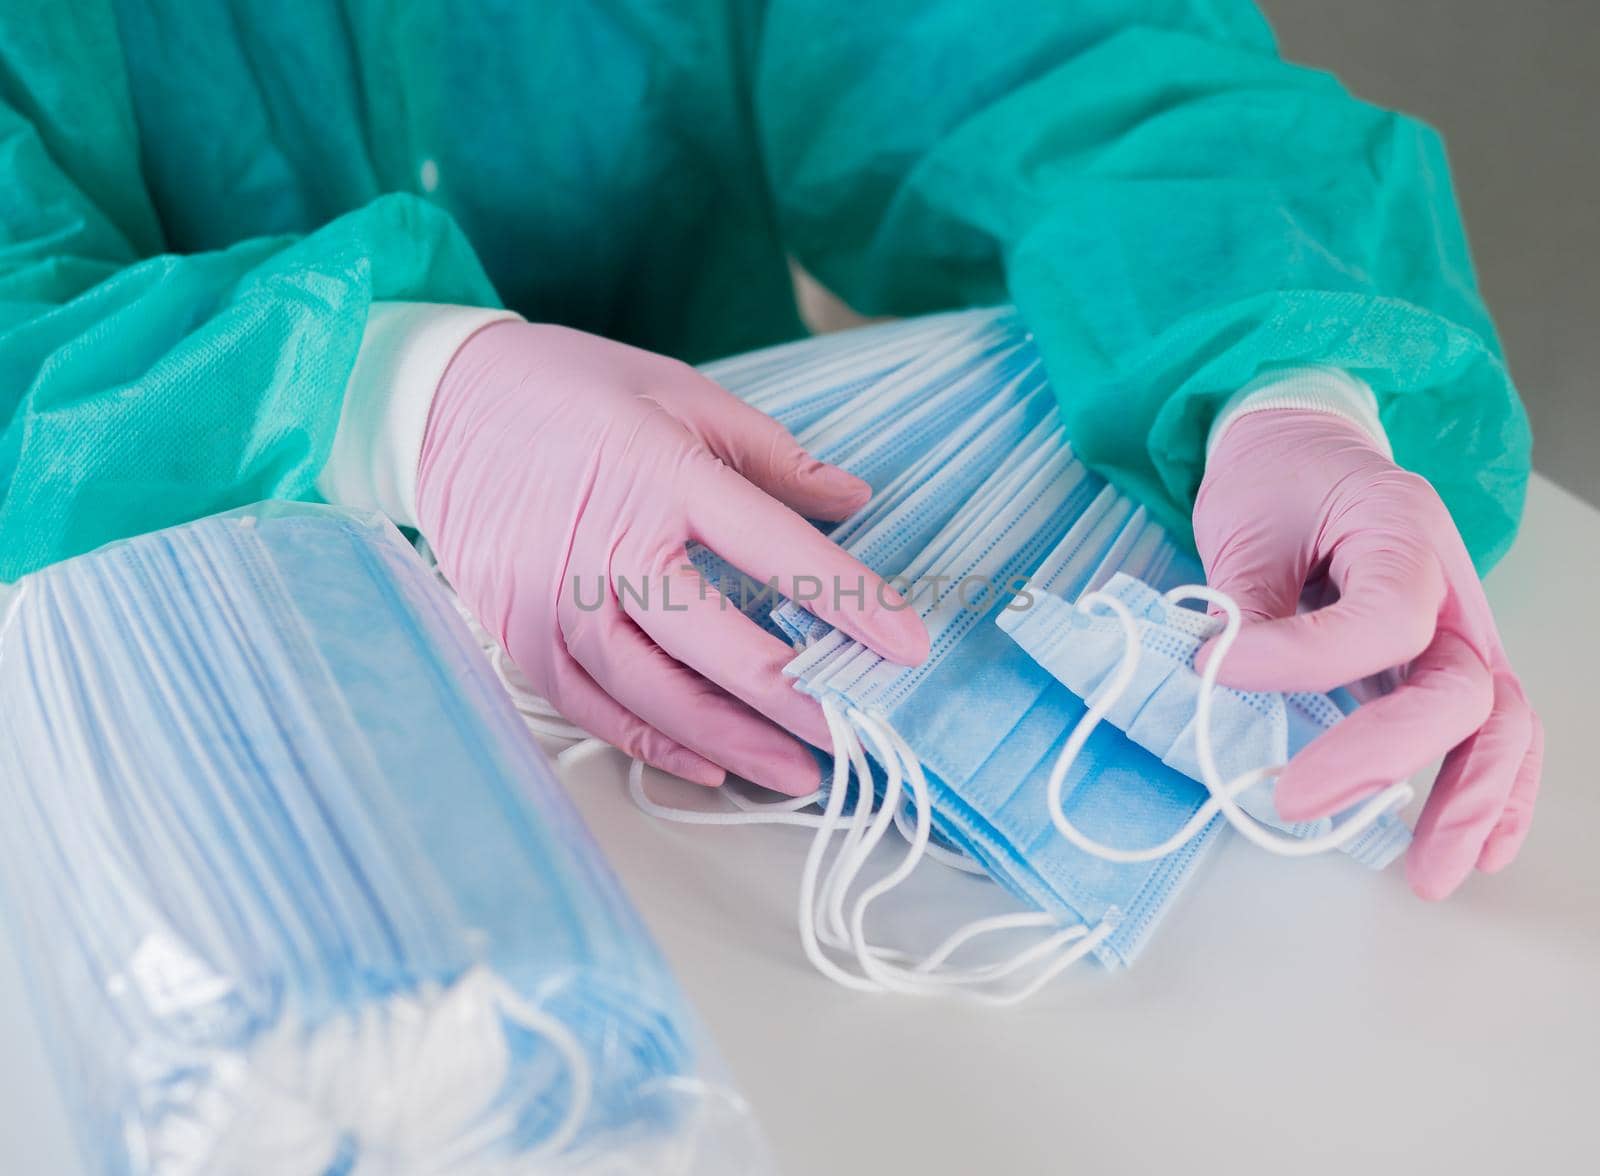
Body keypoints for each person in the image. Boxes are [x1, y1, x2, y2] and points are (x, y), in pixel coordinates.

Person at [0, 1, 1539, 899]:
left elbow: (1061, 52)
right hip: (165, 791)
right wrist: (386, 397)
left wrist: (1289, 381)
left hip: (740, 725)